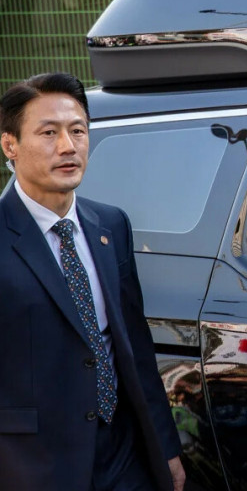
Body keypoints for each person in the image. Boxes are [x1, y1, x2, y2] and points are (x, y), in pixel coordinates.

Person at [0, 73, 185, 491]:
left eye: (78, 130)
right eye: (49, 132)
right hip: (32, 466)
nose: (68, 146)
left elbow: (134, 346)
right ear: (10, 145)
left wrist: (165, 448)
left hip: (124, 457)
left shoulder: (110, 225)